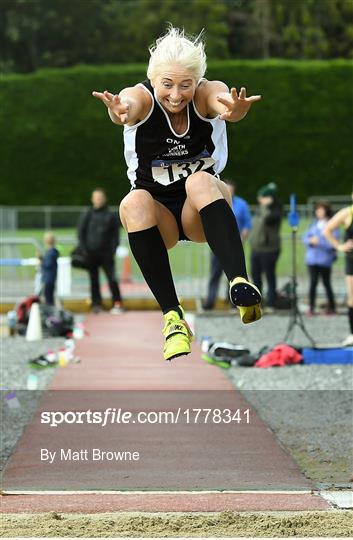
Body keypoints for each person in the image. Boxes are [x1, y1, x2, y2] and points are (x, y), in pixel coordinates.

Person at [92, 26, 262, 361]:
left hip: (201, 211)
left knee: (199, 181)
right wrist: (118, 110)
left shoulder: (205, 93)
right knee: (132, 201)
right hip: (160, 220)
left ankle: (240, 283)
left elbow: (221, 100)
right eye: (167, 84)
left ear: (197, 80)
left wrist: (234, 111)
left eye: (185, 84)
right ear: (152, 79)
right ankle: (173, 317)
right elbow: (127, 103)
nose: (175, 94)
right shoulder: (141, 98)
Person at [203, 181, 252, 310]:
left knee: (234, 275)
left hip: (234, 246)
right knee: (215, 274)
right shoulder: (213, 204)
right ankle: (210, 301)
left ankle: (234, 302)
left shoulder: (241, 204)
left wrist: (241, 239)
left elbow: (247, 224)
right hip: (217, 246)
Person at [78, 188, 123, 314]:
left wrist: (113, 249)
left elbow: (116, 235)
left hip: (106, 253)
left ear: (104, 199)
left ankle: (117, 302)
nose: (98, 200)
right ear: (92, 199)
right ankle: (96, 303)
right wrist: (84, 249)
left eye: (100, 197)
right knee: (93, 279)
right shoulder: (88, 214)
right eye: (96, 198)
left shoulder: (111, 215)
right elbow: (81, 233)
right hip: (90, 253)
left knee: (112, 278)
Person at [324, 193, 353, 346]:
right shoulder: (347, 213)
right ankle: (352, 333)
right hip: (352, 260)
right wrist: (339, 246)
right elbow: (327, 230)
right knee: (352, 297)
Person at [249, 182, 282, 312]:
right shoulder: (260, 209)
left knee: (269, 276)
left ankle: (271, 303)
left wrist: (265, 206)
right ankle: (258, 302)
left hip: (270, 250)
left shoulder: (275, 210)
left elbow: (269, 219)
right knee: (255, 277)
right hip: (256, 249)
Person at [302, 201, 338, 316]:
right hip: (312, 259)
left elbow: (333, 243)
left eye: (321, 210)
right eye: (318, 210)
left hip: (325, 260)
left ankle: (332, 306)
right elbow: (305, 237)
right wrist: (310, 241)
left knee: (326, 283)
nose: (319, 212)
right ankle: (311, 307)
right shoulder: (314, 224)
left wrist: (319, 242)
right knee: (313, 283)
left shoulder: (332, 225)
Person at [39, 232, 59, 306]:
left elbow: (48, 264)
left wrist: (41, 261)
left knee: (49, 298)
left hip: (49, 279)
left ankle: (51, 313)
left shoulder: (51, 252)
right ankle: (51, 312)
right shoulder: (51, 252)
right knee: (49, 297)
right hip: (49, 278)